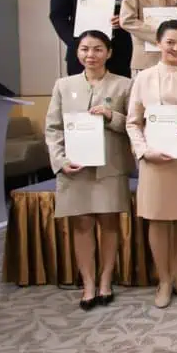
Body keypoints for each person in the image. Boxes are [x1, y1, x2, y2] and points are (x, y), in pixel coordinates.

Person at [44, 30, 133, 310]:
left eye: (97, 49)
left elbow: (133, 125)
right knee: (81, 226)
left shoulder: (124, 85)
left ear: (109, 52)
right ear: (77, 53)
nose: (90, 55)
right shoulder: (63, 84)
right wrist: (59, 161)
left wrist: (111, 116)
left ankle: (106, 280)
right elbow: (53, 128)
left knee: (109, 224)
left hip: (110, 168)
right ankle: (88, 284)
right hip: (75, 168)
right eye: (84, 49)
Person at [126, 20, 177, 308]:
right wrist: (144, 152)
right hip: (154, 159)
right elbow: (133, 122)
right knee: (159, 218)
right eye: (170, 42)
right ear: (159, 43)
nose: (176, 48)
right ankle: (163, 279)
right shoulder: (144, 78)